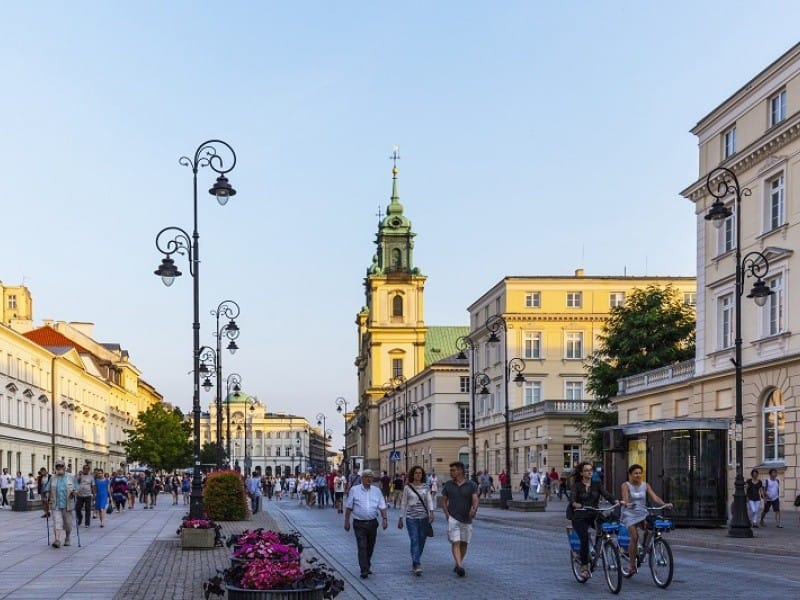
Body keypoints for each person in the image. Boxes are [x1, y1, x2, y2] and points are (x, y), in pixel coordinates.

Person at [568, 461, 616, 580]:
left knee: (606, 528)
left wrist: (615, 501)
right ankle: (584, 567)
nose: (589, 472)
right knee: (584, 538)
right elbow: (572, 498)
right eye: (586, 470)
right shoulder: (577, 486)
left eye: (591, 470)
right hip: (580, 516)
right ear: (581, 473)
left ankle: (597, 547)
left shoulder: (597, 484)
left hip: (594, 514)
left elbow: (607, 495)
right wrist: (575, 504)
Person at [620, 464, 671, 574]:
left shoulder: (645, 485)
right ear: (630, 475)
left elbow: (654, 497)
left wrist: (664, 504)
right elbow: (625, 498)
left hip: (642, 512)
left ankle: (644, 546)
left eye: (640, 473)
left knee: (650, 528)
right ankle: (632, 565)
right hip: (629, 513)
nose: (638, 475)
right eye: (635, 473)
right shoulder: (625, 485)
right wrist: (627, 503)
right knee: (634, 536)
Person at [343, 468, 388, 579]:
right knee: (362, 546)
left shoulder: (376, 491)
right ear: (362, 478)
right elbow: (349, 507)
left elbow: (382, 505)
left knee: (370, 547)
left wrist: (385, 519)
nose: (369, 479)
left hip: (373, 523)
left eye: (371, 477)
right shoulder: (355, 490)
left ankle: (367, 564)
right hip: (359, 524)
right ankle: (364, 569)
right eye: (366, 476)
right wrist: (346, 521)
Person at [440, 461, 478, 577]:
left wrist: (474, 509)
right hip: (453, 517)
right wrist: (446, 513)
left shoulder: (471, 485)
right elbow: (444, 500)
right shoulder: (448, 485)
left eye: (453, 470)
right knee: (455, 541)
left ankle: (458, 562)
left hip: (466, 518)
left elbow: (475, 498)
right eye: (451, 470)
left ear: (460, 471)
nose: (451, 472)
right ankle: (460, 566)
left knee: (464, 543)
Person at [398, 465, 435, 575]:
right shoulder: (407, 488)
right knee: (414, 539)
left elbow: (429, 500)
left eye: (420, 473)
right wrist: (401, 517)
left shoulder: (426, 487)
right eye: (416, 473)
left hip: (423, 518)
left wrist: (431, 512)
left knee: (421, 541)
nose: (418, 475)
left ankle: (415, 561)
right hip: (411, 518)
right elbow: (404, 503)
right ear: (412, 475)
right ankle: (417, 563)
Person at [48, 460, 75, 548]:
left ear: (64, 467)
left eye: (61, 466)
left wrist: (74, 492)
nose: (59, 468)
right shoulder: (52, 478)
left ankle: (67, 538)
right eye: (57, 466)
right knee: (57, 522)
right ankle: (57, 540)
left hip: (68, 504)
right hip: (56, 504)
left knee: (68, 523)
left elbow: (77, 488)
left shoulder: (71, 477)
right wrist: (45, 496)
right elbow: (47, 488)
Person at [75, 463, 96, 528]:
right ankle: (80, 517)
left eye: (87, 469)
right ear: (83, 469)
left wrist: (94, 494)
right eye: (84, 469)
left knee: (88, 509)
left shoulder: (91, 477)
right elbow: (76, 482)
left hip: (88, 495)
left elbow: (93, 486)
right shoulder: (80, 476)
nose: (85, 470)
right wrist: (79, 475)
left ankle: (87, 523)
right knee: (77, 508)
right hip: (80, 495)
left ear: (89, 470)